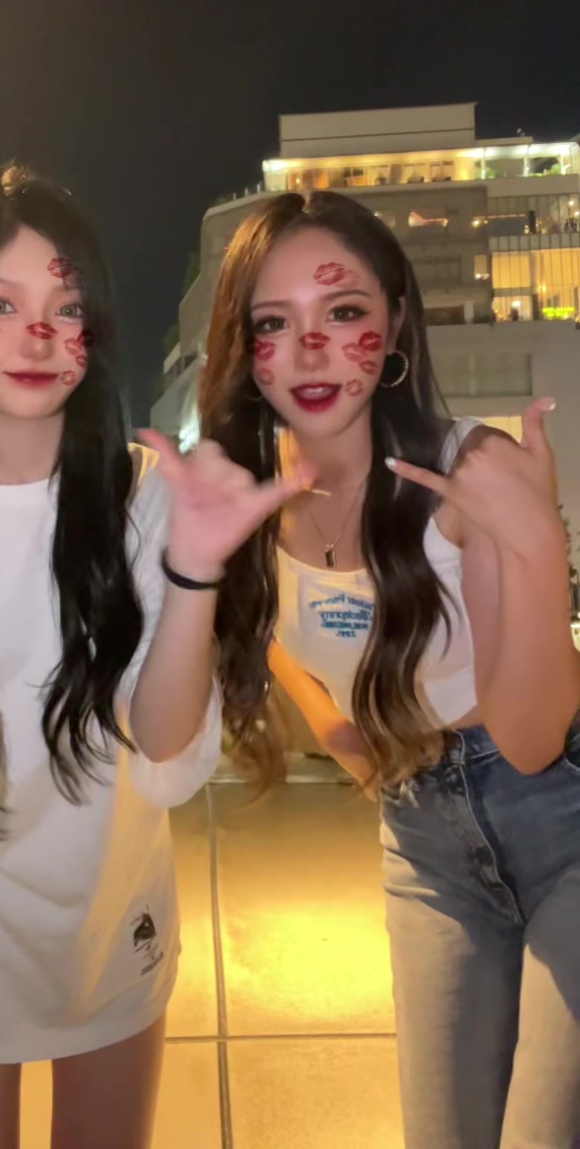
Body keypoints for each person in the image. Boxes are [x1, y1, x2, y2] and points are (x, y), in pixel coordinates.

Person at [0, 164, 304, 1149]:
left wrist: (195, 569)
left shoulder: (148, 494)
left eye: (66, 308)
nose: (38, 336)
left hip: (114, 923)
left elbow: (164, 742)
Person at [199, 190, 580, 1149]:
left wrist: (538, 546)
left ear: (397, 322)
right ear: (244, 347)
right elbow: (270, 629)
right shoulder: (250, 497)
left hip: (560, 814)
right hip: (423, 844)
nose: (311, 350)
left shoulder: (466, 474)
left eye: (343, 312)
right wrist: (342, 733)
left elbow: (532, 740)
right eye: (273, 324)